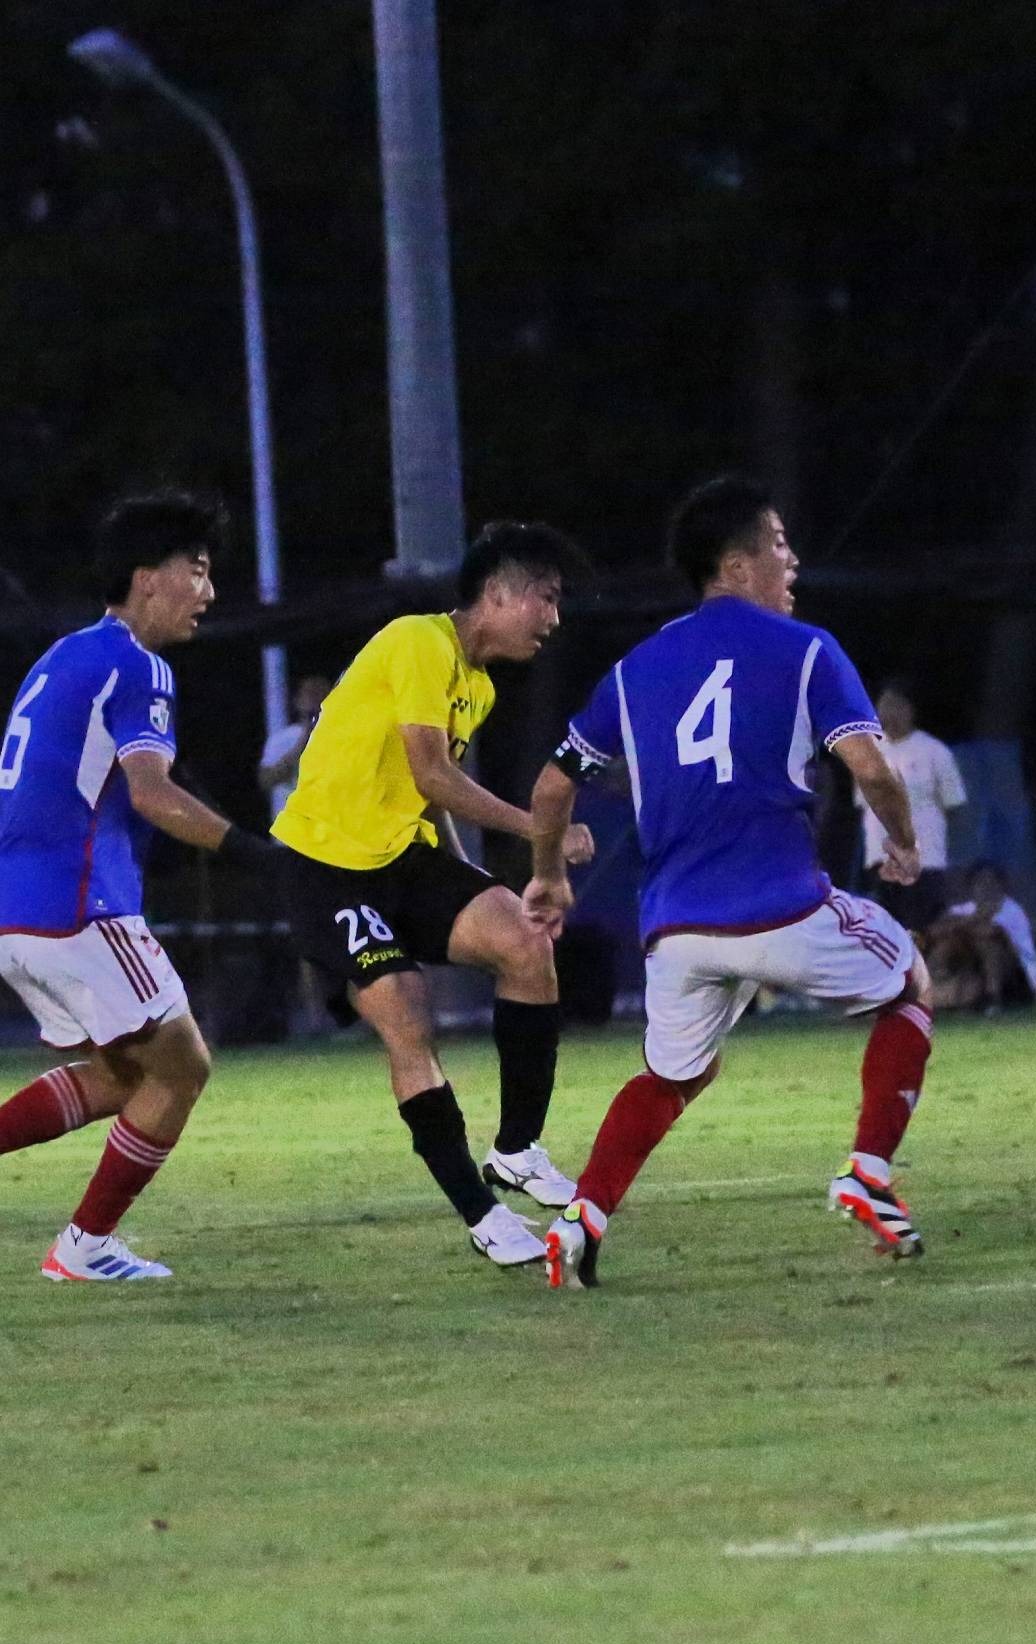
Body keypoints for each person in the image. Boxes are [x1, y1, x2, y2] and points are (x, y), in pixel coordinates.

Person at [528, 476, 933, 1286]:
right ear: (738, 563)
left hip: (675, 931)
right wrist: (903, 840)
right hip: (782, 908)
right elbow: (870, 763)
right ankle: (869, 1172)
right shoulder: (806, 648)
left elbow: (550, 786)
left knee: (674, 1074)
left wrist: (547, 877)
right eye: (779, 545)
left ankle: (581, 1221)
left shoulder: (635, 668)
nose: (793, 562)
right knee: (911, 984)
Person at [271, 521, 595, 1268]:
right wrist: (540, 826)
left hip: (401, 857)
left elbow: (427, 795)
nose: (553, 618)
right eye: (545, 598)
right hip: (324, 866)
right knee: (408, 1015)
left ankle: (516, 1148)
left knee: (524, 939)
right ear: (498, 594)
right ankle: (482, 1217)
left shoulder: (474, 683)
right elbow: (431, 774)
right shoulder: (419, 640)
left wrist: (470, 883)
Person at [0, 493, 279, 1281]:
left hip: (17, 908)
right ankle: (83, 1248)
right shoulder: (135, 662)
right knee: (184, 1066)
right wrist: (258, 854)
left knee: (127, 1073)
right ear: (147, 577)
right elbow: (152, 791)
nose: (208, 592)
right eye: (197, 571)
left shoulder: (61, 655)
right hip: (79, 905)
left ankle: (84, 1246)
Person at [857, 682, 967, 928]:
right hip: (880, 864)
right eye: (883, 705)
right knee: (883, 935)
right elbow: (864, 806)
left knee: (921, 933)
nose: (889, 712)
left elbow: (955, 806)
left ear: (910, 710)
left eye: (896, 705)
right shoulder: (867, 751)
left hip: (924, 865)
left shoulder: (935, 752)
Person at [922, 861, 1036, 1013]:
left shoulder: (1012, 910)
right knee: (945, 944)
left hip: (1018, 974)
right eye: (980, 882)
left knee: (987, 942)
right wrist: (974, 919)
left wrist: (961, 926)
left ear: (1001, 885)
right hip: (974, 969)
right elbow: (933, 932)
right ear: (971, 886)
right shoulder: (962, 909)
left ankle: (993, 998)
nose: (986, 887)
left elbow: (991, 933)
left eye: (991, 881)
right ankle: (930, 992)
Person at [257, 673, 332, 819]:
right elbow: (266, 780)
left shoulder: (344, 736)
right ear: (298, 701)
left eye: (322, 692)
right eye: (310, 693)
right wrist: (303, 743)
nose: (317, 698)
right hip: (294, 827)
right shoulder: (282, 739)